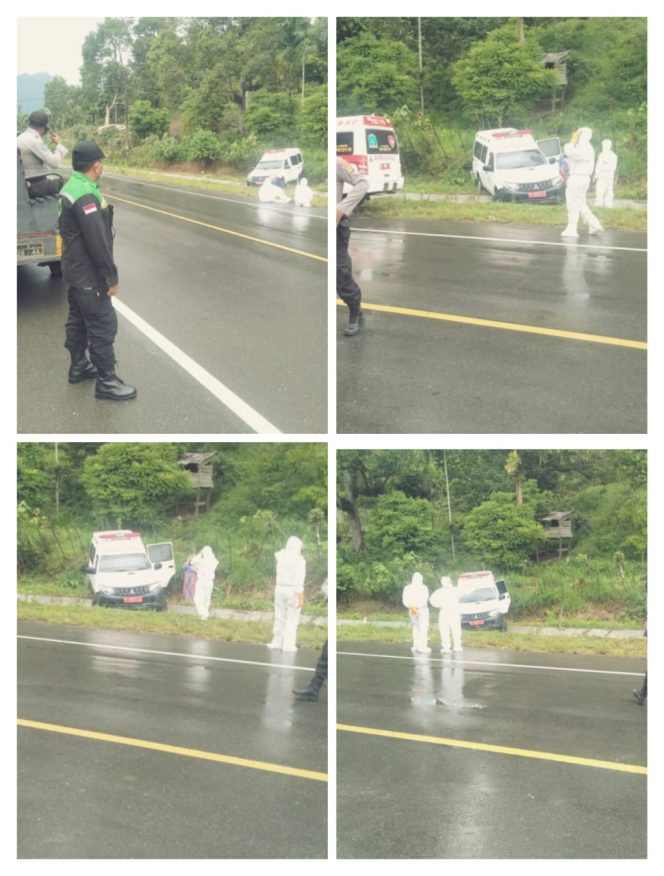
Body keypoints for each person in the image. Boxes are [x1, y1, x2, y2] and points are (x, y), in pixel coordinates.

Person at [58, 141, 136, 400]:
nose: (102, 165)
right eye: (101, 161)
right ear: (96, 165)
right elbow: (98, 242)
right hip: (88, 274)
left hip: (74, 270)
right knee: (103, 324)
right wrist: (110, 277)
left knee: (78, 319)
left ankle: (79, 365)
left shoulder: (72, 186)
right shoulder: (85, 195)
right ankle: (107, 382)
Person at [336, 156, 368, 336]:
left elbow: (363, 183)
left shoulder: (338, 163)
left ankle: (356, 312)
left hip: (337, 226)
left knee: (340, 273)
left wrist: (340, 209)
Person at [561, 127, 603, 238]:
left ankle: (572, 229)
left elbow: (568, 152)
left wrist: (571, 141)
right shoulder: (587, 147)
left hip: (577, 178)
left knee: (572, 204)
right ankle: (594, 224)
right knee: (580, 204)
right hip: (583, 178)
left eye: (578, 135)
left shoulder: (584, 147)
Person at [267, 536, 306, 652]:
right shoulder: (300, 560)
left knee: (279, 616)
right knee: (292, 618)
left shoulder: (280, 556)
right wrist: (300, 596)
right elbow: (299, 579)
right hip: (293, 590)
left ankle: (277, 641)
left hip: (279, 588)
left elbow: (279, 554)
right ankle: (288, 645)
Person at [17, 110, 68, 175]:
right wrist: (59, 144)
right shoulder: (35, 141)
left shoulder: (22, 136)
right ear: (46, 127)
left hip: (25, 179)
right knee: (61, 180)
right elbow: (54, 163)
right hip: (35, 181)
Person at [430, 576, 462, 654]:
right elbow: (431, 600)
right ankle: (446, 647)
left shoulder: (455, 590)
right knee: (444, 630)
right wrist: (439, 605)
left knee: (456, 630)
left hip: (454, 612)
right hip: (444, 612)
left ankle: (457, 646)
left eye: (446, 581)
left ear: (449, 581)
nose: (444, 583)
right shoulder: (439, 591)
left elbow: (465, 592)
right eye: (443, 582)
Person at [402, 572, 431, 654]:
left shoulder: (410, 588)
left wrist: (412, 606)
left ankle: (417, 645)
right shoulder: (422, 588)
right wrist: (412, 606)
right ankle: (420, 646)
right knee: (422, 627)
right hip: (418, 609)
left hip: (417, 609)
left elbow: (406, 600)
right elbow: (406, 599)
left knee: (417, 627)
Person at [190, 545, 218, 620]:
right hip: (210, 582)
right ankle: (205, 615)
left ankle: (202, 613)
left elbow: (192, 562)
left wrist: (199, 554)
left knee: (197, 598)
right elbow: (216, 561)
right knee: (207, 599)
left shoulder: (201, 561)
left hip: (201, 582)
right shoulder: (213, 561)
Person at [594, 139, 618, 208]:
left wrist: (598, 172)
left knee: (608, 190)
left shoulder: (613, 156)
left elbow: (613, 167)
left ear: (608, 146)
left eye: (604, 145)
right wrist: (596, 174)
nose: (603, 147)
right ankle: (600, 203)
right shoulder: (602, 155)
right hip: (604, 174)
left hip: (607, 174)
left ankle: (607, 203)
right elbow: (598, 165)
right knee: (600, 189)